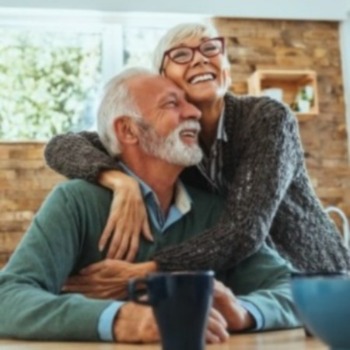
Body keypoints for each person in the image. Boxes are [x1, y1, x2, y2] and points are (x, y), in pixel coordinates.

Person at [0, 68, 300, 342]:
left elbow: (296, 290)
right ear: (129, 131)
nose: (194, 111)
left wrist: (243, 311)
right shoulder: (75, 202)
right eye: (172, 104)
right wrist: (120, 319)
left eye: (188, 102)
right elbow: (7, 297)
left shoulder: (215, 212)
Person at [44, 22, 350, 278]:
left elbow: (244, 230)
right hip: (250, 284)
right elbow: (61, 146)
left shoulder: (268, 118)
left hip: (316, 279)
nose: (200, 59)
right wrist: (118, 180)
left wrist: (148, 270)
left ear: (225, 67)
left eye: (210, 48)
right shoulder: (168, 140)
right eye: (180, 54)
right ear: (163, 79)